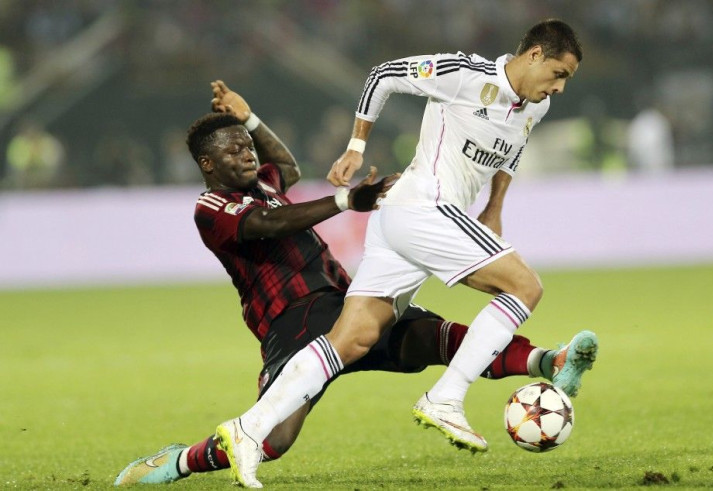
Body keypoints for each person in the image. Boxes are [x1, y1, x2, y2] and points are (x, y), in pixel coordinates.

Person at [114, 80, 596, 486]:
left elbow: (288, 169)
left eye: (246, 145)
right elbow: (268, 226)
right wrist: (346, 202)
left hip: (337, 299)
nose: (245, 154)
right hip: (293, 321)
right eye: (233, 150)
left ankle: (545, 360)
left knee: (429, 336)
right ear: (207, 165)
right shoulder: (212, 208)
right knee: (275, 441)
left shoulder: (261, 184)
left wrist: (251, 119)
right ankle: (178, 461)